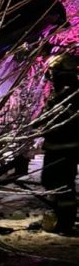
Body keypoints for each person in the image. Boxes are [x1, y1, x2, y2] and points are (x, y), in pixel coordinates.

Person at [41, 49, 79, 235]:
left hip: (64, 148)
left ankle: (65, 222)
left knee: (63, 186)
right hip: (57, 147)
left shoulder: (69, 95)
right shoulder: (64, 93)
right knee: (52, 182)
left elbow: (53, 118)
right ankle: (60, 218)